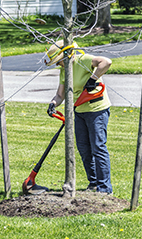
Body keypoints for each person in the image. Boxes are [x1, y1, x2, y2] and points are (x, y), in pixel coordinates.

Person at [44, 40, 113, 194]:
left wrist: (93, 79)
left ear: (68, 55)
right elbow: (60, 95)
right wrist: (53, 104)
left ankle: (104, 189)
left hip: (97, 110)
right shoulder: (64, 71)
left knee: (98, 147)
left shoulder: (84, 60)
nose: (57, 65)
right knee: (84, 148)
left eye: (58, 61)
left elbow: (106, 62)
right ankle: (93, 183)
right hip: (79, 111)